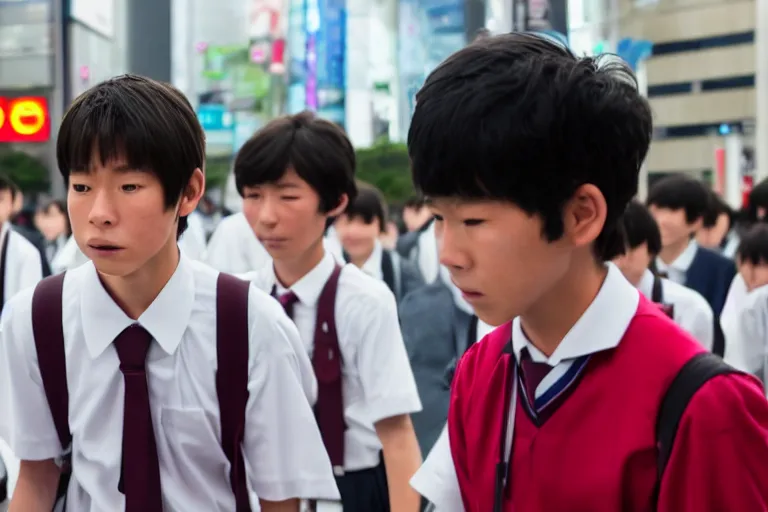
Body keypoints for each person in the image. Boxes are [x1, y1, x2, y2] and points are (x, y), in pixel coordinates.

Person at [407, 33, 768, 511]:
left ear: (581, 216)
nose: (450, 252)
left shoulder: (703, 405)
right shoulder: (482, 372)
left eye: (474, 220)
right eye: (438, 218)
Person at [0, 75, 339, 511]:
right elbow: (36, 476)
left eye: (129, 187)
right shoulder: (35, 320)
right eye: (82, 187)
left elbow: (281, 498)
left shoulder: (251, 325)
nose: (99, 214)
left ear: (189, 192)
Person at [235, 111, 423, 512]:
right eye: (253, 195)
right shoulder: (238, 299)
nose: (267, 216)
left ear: (335, 202)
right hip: (261, 491)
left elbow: (397, 434)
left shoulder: (365, 301)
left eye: (287, 196)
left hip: (349, 491)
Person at [646, 174, 736, 356]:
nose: (660, 220)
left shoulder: (722, 270)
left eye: (671, 210)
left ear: (696, 221)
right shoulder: (638, 267)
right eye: (656, 210)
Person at [613, 200, 714, 350]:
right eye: (612, 252)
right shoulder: (581, 305)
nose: (621, 260)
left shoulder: (689, 307)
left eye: (631, 248)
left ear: (651, 248)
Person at [334, 183, 424, 304]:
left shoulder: (403, 272)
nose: (354, 231)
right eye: (346, 221)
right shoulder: (328, 269)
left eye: (364, 222)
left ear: (380, 225)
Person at [724, 223, 768, 381]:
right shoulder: (738, 284)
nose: (750, 272)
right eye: (744, 262)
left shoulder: (762, 296)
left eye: (761, 265)